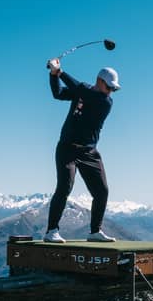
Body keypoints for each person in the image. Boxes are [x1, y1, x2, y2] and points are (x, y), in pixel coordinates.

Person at [43, 57, 120, 243]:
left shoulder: (104, 102)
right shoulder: (83, 92)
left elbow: (82, 90)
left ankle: (95, 232)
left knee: (102, 191)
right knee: (64, 187)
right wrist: (53, 76)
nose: (111, 92)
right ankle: (51, 231)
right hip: (67, 149)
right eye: (109, 87)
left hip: (89, 152)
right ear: (99, 81)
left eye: (113, 89)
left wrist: (59, 72)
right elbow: (58, 93)